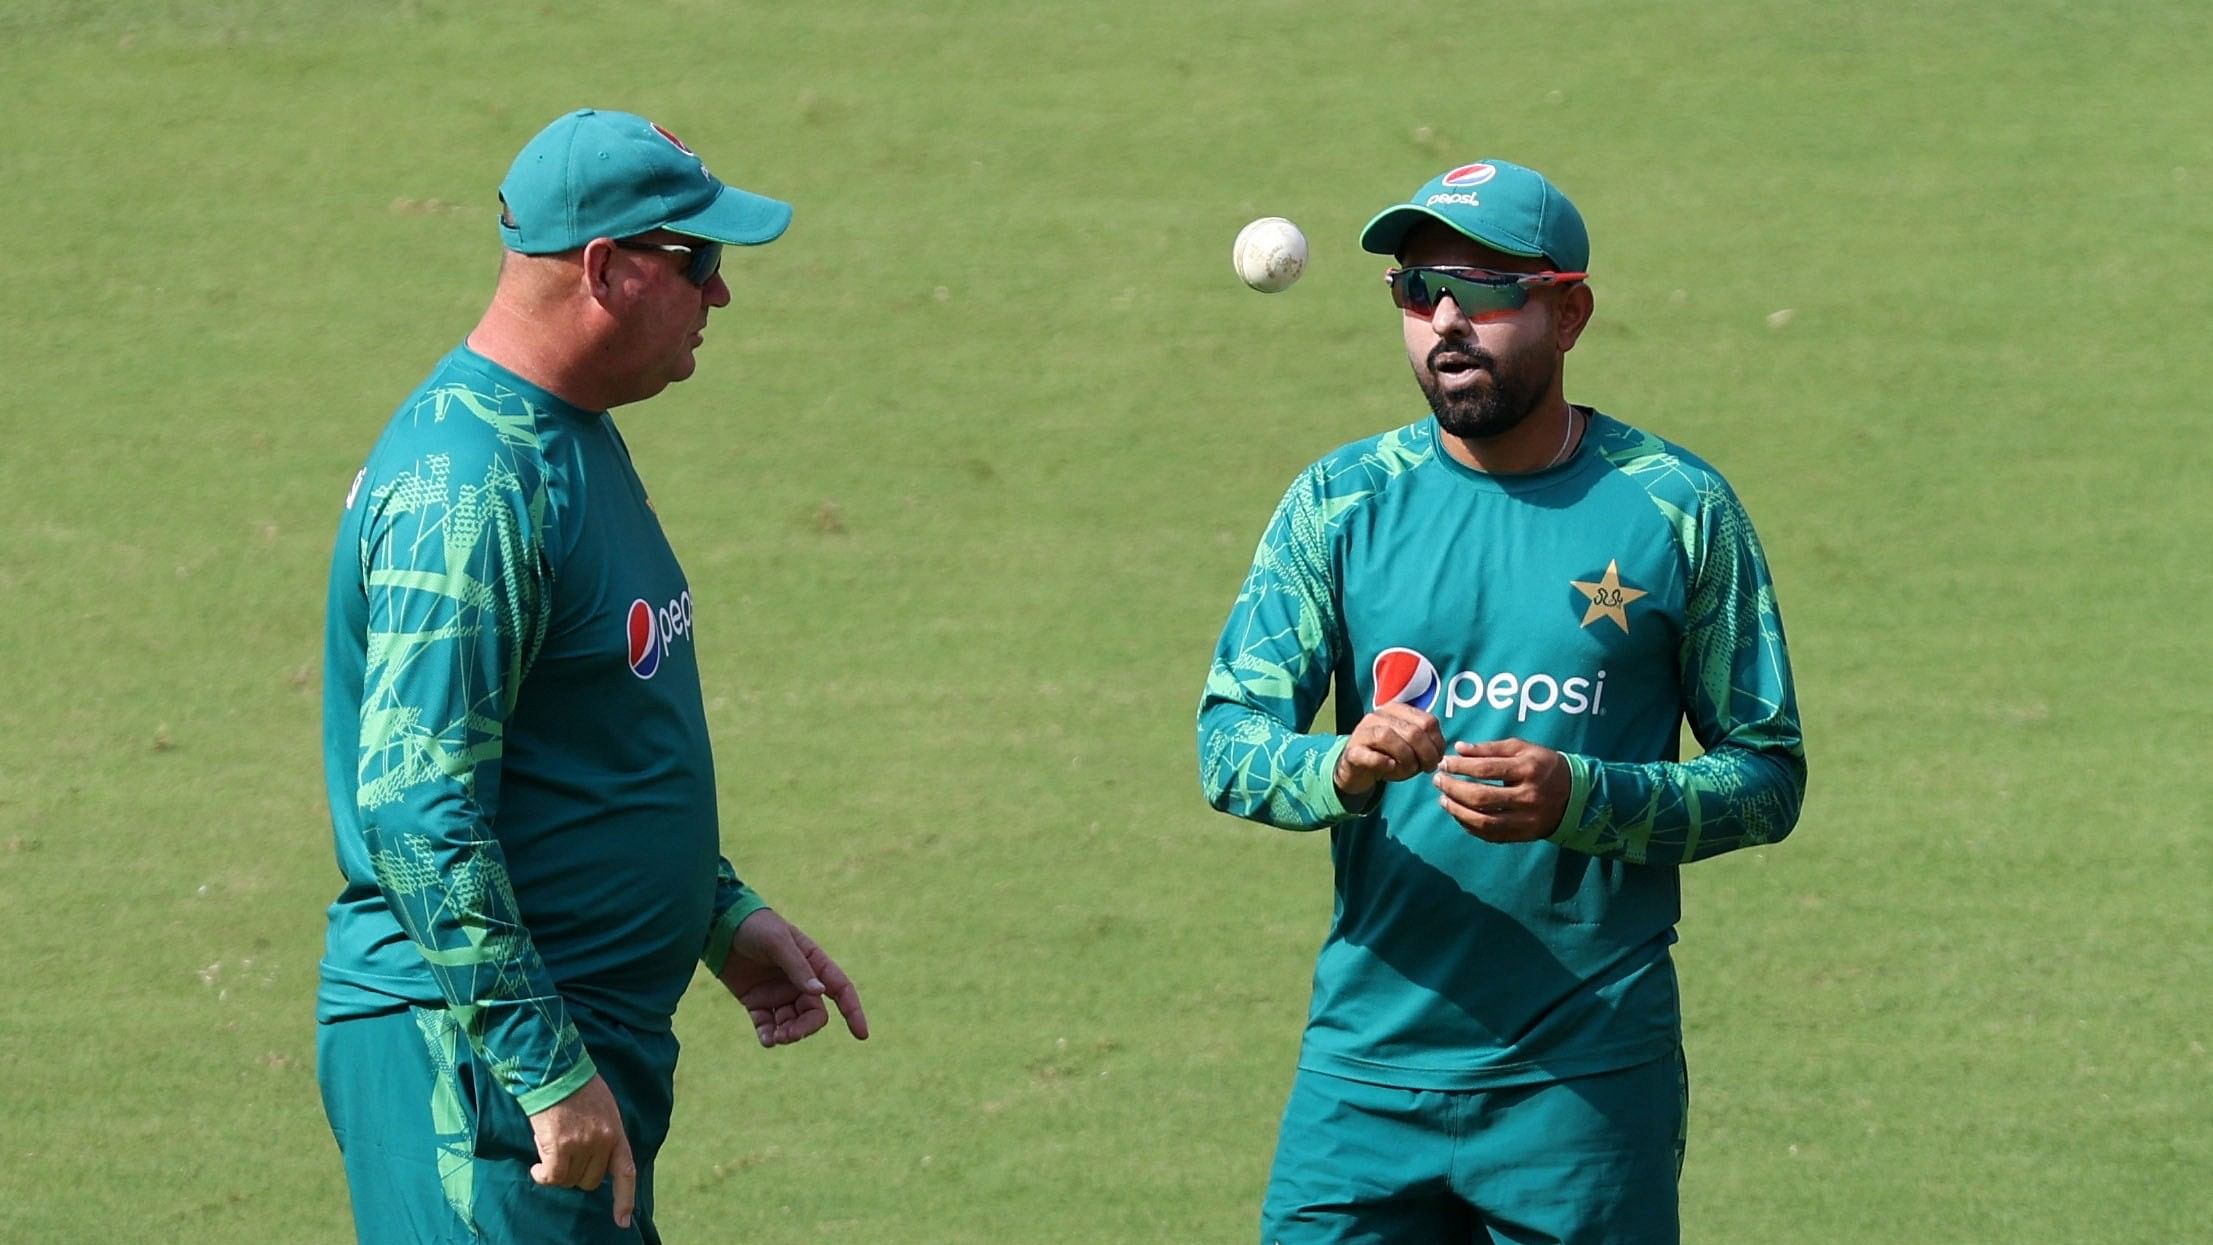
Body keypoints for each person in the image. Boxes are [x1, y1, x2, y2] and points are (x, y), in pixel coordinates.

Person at [1196, 159, 1806, 1244]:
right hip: (1363, 1077)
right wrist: (1339, 764)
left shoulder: (1672, 508)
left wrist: (1585, 796)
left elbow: (1764, 775)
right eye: (1415, 291)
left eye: (1482, 293)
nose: (1443, 322)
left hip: (1584, 1085)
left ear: (1566, 310)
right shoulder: (1339, 504)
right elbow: (1228, 746)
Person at [316, 108, 869, 1244]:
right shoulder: (469, 489)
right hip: (478, 1069)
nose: (719, 294)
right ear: (605, 268)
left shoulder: (565, 435)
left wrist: (714, 913)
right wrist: (544, 1070)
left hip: (563, 1052)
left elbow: (586, 733)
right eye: (697, 260)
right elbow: (417, 811)